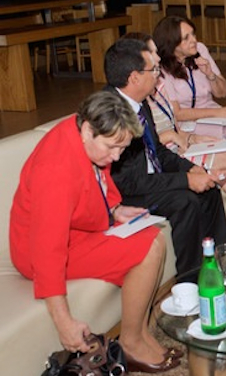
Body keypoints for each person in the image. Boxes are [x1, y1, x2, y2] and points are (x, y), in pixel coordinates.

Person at [10, 91, 182, 373]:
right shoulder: (55, 169)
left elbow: (96, 178)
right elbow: (47, 250)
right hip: (38, 250)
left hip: (75, 229)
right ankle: (131, 343)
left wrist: (114, 209)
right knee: (148, 248)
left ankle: (140, 333)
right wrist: (64, 322)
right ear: (89, 130)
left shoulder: (83, 131)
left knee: (154, 238)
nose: (115, 156)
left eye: (122, 149)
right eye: (112, 147)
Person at [122, 32, 226, 250]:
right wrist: (175, 139)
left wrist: (187, 138)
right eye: (152, 54)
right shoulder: (133, 100)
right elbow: (150, 146)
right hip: (167, 156)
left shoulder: (156, 88)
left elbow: (172, 124)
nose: (158, 59)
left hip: (175, 147)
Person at [106, 39, 226, 279]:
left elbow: (160, 152)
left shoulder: (138, 103)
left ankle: (222, 266)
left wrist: (193, 169)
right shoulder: (112, 112)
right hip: (127, 193)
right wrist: (185, 181)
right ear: (134, 77)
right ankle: (191, 283)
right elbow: (129, 182)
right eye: (153, 70)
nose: (158, 76)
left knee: (209, 188)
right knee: (185, 200)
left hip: (149, 179)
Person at [153, 16, 226, 169]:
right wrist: (217, 113)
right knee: (223, 138)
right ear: (172, 44)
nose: (193, 40)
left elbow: (222, 93)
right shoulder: (162, 68)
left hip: (210, 109)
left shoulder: (200, 50)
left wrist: (210, 75)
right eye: (186, 38)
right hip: (186, 121)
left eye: (193, 34)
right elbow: (177, 113)